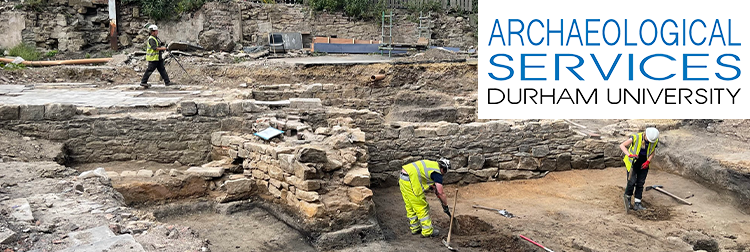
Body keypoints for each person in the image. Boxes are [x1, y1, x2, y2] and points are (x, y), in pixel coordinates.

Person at [399, 158, 451, 238]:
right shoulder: (437, 173)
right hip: (411, 180)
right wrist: (445, 204)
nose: (444, 174)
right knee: (421, 206)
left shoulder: (432, 164)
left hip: (403, 178)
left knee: (410, 205)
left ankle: (415, 228)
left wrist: (432, 186)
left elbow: (422, 173)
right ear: (443, 168)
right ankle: (427, 231)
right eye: (445, 171)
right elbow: (441, 193)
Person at [620, 127, 659, 211]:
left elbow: (652, 151)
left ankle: (638, 203)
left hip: (644, 163)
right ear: (645, 135)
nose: (649, 142)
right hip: (633, 162)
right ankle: (628, 198)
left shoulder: (654, 140)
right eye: (648, 140)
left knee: (640, 183)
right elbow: (622, 145)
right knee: (631, 181)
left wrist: (648, 161)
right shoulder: (636, 137)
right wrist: (629, 155)